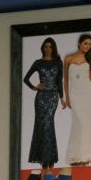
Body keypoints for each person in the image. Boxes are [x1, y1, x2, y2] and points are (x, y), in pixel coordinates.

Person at [23, 37, 65, 172]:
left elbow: (59, 82)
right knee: (42, 126)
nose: (48, 49)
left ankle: (49, 158)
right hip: (40, 98)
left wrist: (62, 98)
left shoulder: (58, 62)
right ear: (43, 48)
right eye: (45, 46)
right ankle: (46, 159)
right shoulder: (38, 62)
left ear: (53, 48)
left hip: (53, 97)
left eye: (50, 46)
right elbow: (26, 78)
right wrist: (35, 87)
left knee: (49, 125)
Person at [63, 33, 91, 165]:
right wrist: (67, 97)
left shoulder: (90, 60)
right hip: (74, 94)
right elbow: (65, 80)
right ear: (79, 43)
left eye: (89, 44)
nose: (87, 46)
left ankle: (85, 158)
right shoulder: (68, 59)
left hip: (87, 94)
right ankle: (76, 156)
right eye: (85, 43)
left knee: (86, 124)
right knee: (78, 124)